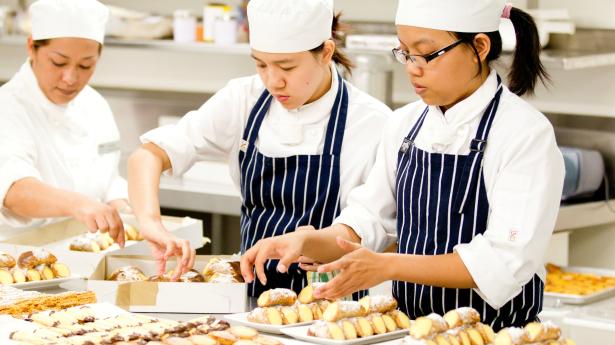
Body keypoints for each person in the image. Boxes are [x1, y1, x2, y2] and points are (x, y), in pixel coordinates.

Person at [241, 0, 564, 329]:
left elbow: (504, 263)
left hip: (496, 334)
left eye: (425, 54)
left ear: (479, 47)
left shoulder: (524, 134)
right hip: (410, 333)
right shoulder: (405, 125)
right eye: (404, 53)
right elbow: (369, 222)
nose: (412, 68)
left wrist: (388, 266)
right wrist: (306, 242)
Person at [128, 0, 391, 294]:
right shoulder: (243, 98)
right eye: (261, 64)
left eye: (287, 67)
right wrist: (151, 223)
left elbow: (378, 230)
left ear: (326, 52)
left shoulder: (371, 121)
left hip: (335, 306)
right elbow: (149, 155)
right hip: (250, 299)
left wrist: (313, 243)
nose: (272, 81)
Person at [0, 0, 128, 245]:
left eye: (85, 65)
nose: (70, 78)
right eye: (58, 63)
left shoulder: (95, 104)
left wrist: (124, 212)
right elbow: (13, 190)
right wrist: (80, 205)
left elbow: (109, 178)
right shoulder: (7, 107)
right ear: (32, 48)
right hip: (17, 258)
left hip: (85, 250)